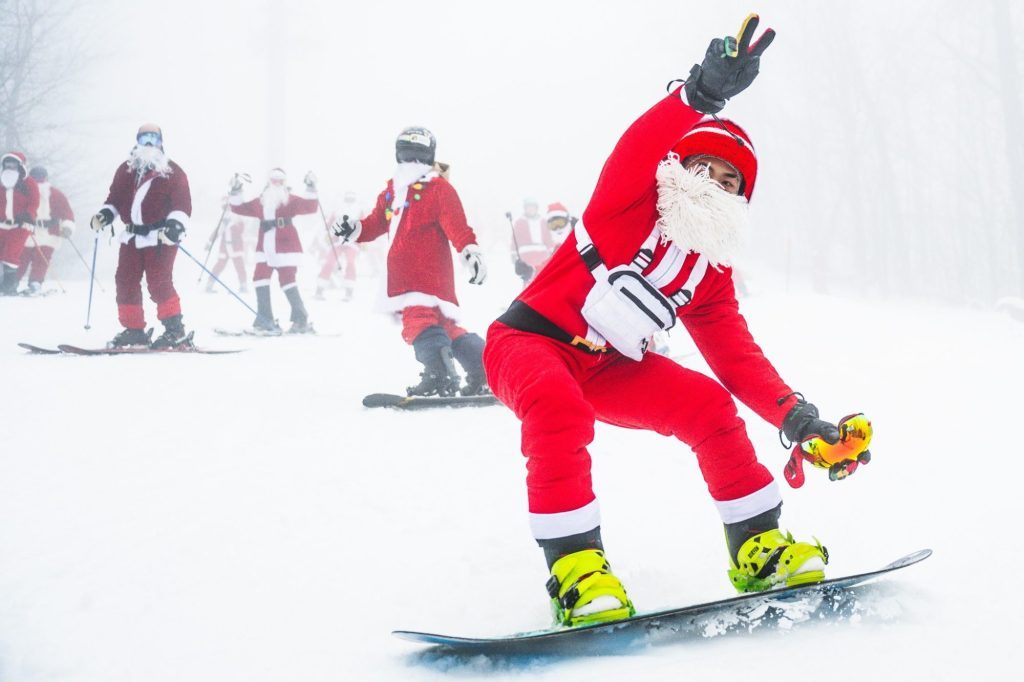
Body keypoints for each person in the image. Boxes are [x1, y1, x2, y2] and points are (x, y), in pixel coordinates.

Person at [482, 15, 872, 627]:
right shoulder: (627, 202)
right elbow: (639, 143)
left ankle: (757, 545)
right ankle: (577, 570)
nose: (710, 184)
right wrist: (701, 94)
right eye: (700, 169)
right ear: (675, 170)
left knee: (709, 406)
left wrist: (797, 418)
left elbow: (737, 359)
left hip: (607, 368)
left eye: (728, 180)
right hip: (528, 344)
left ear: (741, 199)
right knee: (559, 408)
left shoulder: (707, 274)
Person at [332, 126, 489, 396]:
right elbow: (376, 223)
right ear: (398, 157)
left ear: (429, 158)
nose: (411, 163)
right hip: (405, 273)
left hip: (424, 273)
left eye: (418, 157)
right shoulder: (393, 191)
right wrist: (354, 229)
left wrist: (470, 251)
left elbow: (457, 226)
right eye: (406, 156)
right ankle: (483, 370)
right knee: (445, 327)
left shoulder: (439, 188)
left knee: (418, 321)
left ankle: (439, 375)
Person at [90, 124, 192, 348]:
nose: (148, 143)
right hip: (132, 238)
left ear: (160, 142)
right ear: (136, 140)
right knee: (124, 280)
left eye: (153, 138)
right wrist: (104, 216)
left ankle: (175, 331)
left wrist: (175, 226)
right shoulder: (125, 170)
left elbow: (182, 204)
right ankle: (134, 330)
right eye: (143, 137)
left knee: (159, 281)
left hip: (161, 237)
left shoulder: (172, 171)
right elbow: (114, 200)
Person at [228, 168, 319, 334]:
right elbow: (239, 208)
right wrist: (236, 190)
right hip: (265, 247)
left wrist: (311, 187)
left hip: (286, 246)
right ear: (269, 181)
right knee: (259, 278)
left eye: (280, 180)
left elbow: (310, 207)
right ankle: (265, 319)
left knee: (287, 281)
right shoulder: (260, 202)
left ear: (285, 182)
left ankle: (301, 320)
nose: (276, 183)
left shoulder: (289, 200)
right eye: (274, 180)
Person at [15, 167, 75, 295]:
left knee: (39, 260)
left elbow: (67, 214)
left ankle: (34, 282)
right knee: (22, 258)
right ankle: (13, 281)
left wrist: (67, 227)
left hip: (48, 233)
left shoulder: (54, 194)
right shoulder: (23, 192)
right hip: (28, 231)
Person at [0, 151, 40, 295]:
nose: (10, 167)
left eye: (13, 164)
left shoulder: (29, 183)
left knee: (11, 254)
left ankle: (9, 286)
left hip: (21, 225)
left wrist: (28, 215)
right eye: (7, 164)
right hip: (2, 224)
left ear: (20, 165)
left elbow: (34, 202)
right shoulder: (1, 181)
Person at [315, 192, 362, 301]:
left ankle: (349, 292)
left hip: (352, 242)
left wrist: (362, 242)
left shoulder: (359, 211)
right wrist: (327, 231)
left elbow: (364, 226)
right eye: (348, 200)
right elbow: (328, 225)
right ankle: (319, 290)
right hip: (337, 241)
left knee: (350, 263)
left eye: (351, 200)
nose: (349, 202)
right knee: (329, 263)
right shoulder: (337, 211)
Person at [205, 197, 249, 294]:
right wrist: (209, 242)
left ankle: (243, 286)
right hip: (224, 247)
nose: (226, 208)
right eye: (224, 207)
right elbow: (217, 231)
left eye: (227, 206)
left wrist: (231, 224)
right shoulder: (223, 218)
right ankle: (209, 284)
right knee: (219, 266)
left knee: (240, 266)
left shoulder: (238, 217)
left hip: (236, 246)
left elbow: (241, 229)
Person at [510, 198, 554, 284]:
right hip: (526, 256)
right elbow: (515, 239)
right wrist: (513, 254)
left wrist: (552, 251)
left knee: (543, 278)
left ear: (536, 208)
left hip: (542, 255)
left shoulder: (543, 221)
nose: (531, 209)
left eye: (533, 207)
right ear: (525, 209)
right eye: (529, 207)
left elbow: (548, 238)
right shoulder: (520, 222)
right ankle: (526, 296)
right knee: (529, 279)